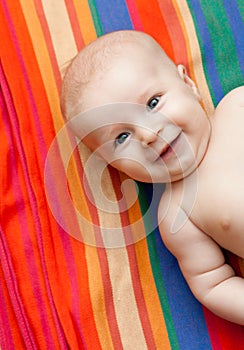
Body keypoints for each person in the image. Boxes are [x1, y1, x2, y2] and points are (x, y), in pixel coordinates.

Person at [60, 30, 244, 325]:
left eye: (153, 103)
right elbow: (214, 284)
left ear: (188, 84)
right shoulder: (178, 214)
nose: (147, 134)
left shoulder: (238, 106)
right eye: (121, 137)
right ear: (115, 167)